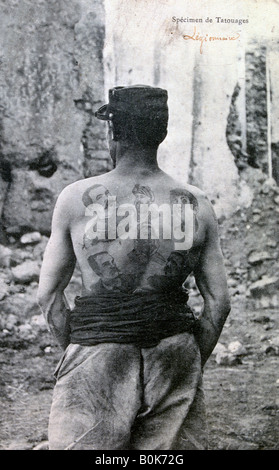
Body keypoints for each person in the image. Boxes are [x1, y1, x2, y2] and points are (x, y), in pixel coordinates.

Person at [37, 85, 230, 450]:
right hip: (173, 350)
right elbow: (219, 303)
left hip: (97, 350)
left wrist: (80, 349)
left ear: (114, 133)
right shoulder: (198, 204)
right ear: (162, 133)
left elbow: (48, 295)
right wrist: (189, 362)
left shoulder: (74, 199)